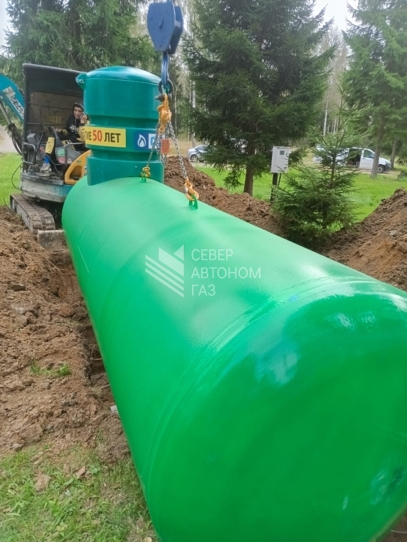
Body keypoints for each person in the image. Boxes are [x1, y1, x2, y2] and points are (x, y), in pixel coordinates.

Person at [39, 102, 88, 176]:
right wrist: (61, 131)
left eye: (79, 111)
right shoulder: (71, 118)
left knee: (55, 145)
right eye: (75, 110)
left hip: (77, 145)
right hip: (69, 141)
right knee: (53, 135)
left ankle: (48, 164)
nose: (77, 113)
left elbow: (85, 139)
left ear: (84, 112)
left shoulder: (88, 122)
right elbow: (68, 130)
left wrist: (82, 124)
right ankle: (47, 164)